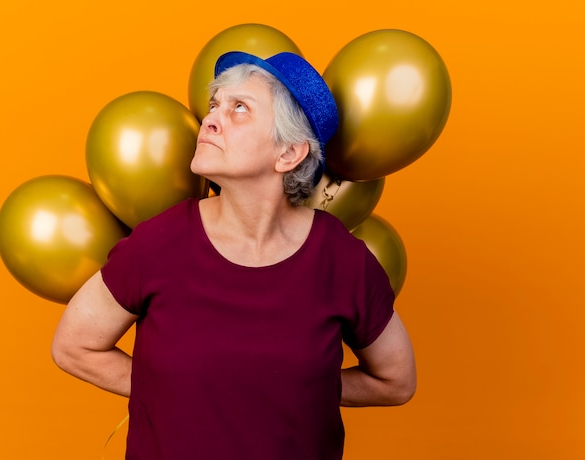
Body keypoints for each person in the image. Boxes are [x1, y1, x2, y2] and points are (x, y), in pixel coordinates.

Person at [52, 50, 416, 460]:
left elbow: (396, 382)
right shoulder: (158, 242)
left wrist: (290, 387)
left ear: (289, 154)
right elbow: (73, 346)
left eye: (239, 108)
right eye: (214, 105)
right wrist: (184, 391)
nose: (210, 119)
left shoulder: (342, 260)